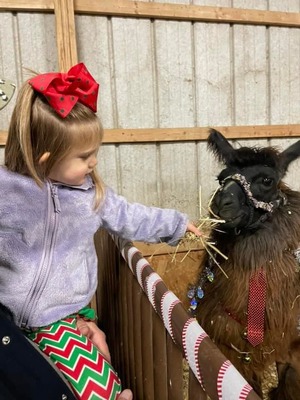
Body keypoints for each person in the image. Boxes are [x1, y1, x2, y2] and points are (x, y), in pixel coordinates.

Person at [0, 62, 202, 400]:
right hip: (6, 315)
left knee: (95, 386)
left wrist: (176, 224)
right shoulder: (7, 191)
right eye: (84, 156)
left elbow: (131, 215)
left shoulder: (92, 196)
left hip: (62, 319)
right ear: (46, 156)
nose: (94, 162)